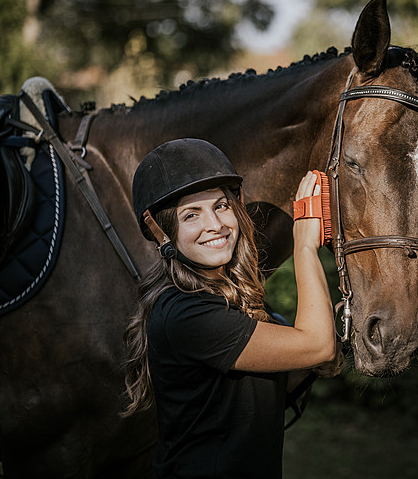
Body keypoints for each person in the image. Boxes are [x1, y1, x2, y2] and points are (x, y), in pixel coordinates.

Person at [121, 138, 340, 478]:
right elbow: (317, 345)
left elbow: (290, 367)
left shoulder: (234, 297)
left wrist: (318, 357)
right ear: (162, 232)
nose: (215, 224)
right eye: (191, 214)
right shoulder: (185, 313)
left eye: (221, 206)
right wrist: (305, 246)